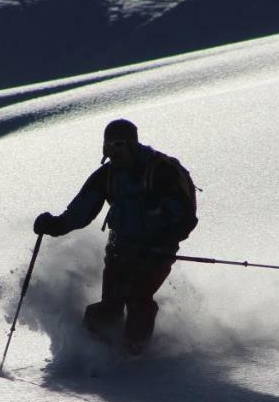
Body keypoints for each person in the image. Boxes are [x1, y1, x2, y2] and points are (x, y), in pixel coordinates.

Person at [33, 119, 197, 354]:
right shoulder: (106, 176)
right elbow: (81, 211)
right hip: (120, 248)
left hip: (156, 251)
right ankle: (93, 353)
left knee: (138, 297)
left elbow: (186, 216)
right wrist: (55, 225)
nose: (114, 152)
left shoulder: (160, 170)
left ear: (132, 144)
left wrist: (162, 240)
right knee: (111, 304)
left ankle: (134, 356)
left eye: (119, 145)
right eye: (108, 146)